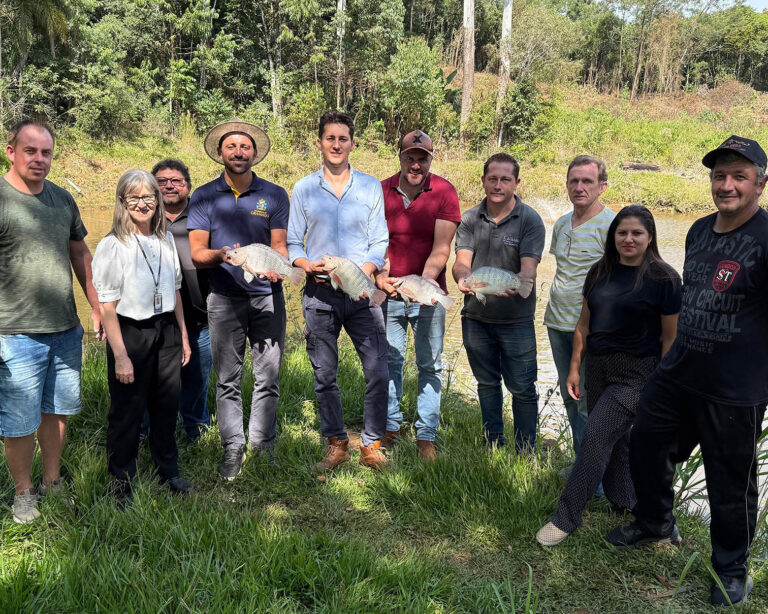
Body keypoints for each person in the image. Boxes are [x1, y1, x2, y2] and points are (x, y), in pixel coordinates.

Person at [607, 136, 768, 607]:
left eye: (739, 176)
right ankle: (655, 522)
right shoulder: (698, 230)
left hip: (734, 387)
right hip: (678, 370)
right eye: (719, 176)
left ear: (760, 183)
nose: (727, 185)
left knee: (729, 479)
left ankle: (731, 570)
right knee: (646, 445)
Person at [536, 205, 681, 547]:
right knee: (618, 441)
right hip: (598, 368)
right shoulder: (600, 271)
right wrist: (575, 367)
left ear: (650, 237)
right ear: (613, 236)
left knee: (595, 437)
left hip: (637, 374)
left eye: (636, 233)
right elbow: (583, 325)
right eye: (622, 232)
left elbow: (671, 339)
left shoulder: (665, 279)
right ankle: (633, 505)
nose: (628, 239)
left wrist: (664, 384)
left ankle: (566, 517)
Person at [0, 119, 102, 524]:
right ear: (11, 151)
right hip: (13, 332)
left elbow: (80, 254)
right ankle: (23, 492)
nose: (39, 159)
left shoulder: (62, 199)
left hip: (64, 328)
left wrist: (96, 306)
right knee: (18, 420)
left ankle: (52, 481)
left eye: (46, 152)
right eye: (30, 151)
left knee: (57, 411)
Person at [287, 110, 389, 471]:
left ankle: (372, 444)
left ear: (352, 144)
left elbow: (379, 241)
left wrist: (366, 269)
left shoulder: (370, 186)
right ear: (319, 143)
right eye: (330, 138)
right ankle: (336, 443)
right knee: (324, 374)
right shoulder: (303, 188)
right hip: (320, 294)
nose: (336, 144)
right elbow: (293, 243)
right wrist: (305, 264)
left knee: (378, 370)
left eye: (342, 138)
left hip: (361, 292)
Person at [188, 120, 289, 480]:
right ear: (220, 152)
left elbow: (279, 247)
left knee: (268, 377)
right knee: (227, 379)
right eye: (231, 146)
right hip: (223, 299)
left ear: (254, 153)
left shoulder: (274, 194)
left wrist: (278, 268)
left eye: (245, 146)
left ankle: (263, 445)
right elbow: (197, 253)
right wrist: (221, 256)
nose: (238, 152)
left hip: (267, 298)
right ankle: (233, 446)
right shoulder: (203, 196)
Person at [93, 170, 193, 508]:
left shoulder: (165, 239)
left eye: (148, 196)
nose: (142, 204)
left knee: (166, 403)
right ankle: (121, 481)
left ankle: (168, 470)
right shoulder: (112, 245)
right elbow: (107, 306)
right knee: (127, 409)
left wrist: (182, 334)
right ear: (122, 202)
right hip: (131, 332)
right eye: (134, 197)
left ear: (158, 200)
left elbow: (175, 290)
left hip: (166, 329)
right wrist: (121, 356)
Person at [375, 130, 461, 460]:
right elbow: (376, 243)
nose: (415, 164)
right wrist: (382, 276)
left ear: (431, 159)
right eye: (410, 157)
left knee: (430, 364)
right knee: (390, 360)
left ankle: (426, 435)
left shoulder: (444, 191)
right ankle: (391, 425)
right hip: (389, 292)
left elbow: (442, 248)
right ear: (400, 157)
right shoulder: (380, 190)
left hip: (428, 294)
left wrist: (422, 285)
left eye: (422, 159)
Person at [452, 153, 545, 451]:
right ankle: (493, 444)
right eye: (492, 178)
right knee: (487, 384)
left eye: (505, 179)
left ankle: (526, 450)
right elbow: (462, 263)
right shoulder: (469, 219)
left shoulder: (530, 220)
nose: (498, 185)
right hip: (476, 319)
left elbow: (528, 269)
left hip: (517, 320)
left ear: (517, 183)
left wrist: (519, 284)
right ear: (483, 181)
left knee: (523, 388)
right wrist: (463, 279)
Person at [544, 155, 615, 469]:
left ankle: (594, 476)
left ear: (602, 186)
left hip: (591, 329)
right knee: (570, 396)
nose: (579, 187)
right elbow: (565, 271)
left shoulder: (613, 225)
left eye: (587, 181)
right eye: (574, 181)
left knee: (589, 402)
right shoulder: (561, 224)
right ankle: (581, 464)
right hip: (556, 322)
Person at [138, 159, 212, 442]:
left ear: (188, 186)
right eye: (161, 181)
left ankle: (197, 431)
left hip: (200, 315)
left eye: (176, 181)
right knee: (149, 380)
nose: (169, 186)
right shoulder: (142, 215)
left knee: (197, 379)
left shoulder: (203, 214)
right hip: (153, 319)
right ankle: (143, 433)